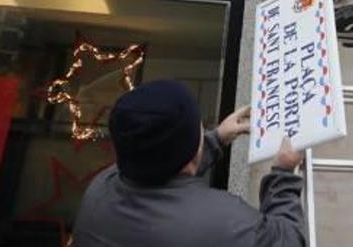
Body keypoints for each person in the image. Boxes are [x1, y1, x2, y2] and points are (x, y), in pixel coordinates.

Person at [72, 80, 307, 247]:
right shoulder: (223, 221)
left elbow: (161, 164)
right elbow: (290, 240)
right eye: (199, 128)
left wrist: (215, 139)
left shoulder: (101, 189)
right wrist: (284, 174)